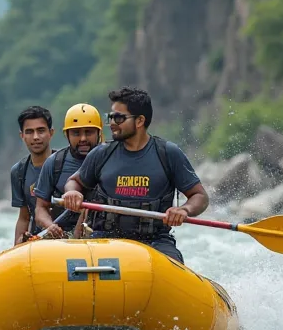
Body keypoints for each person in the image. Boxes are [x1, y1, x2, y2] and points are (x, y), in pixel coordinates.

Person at [60, 87, 209, 263]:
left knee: (174, 264)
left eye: (118, 118)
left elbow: (200, 196)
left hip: (154, 242)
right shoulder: (101, 153)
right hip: (104, 240)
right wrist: (72, 192)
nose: (112, 123)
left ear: (139, 121)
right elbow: (74, 182)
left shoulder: (168, 153)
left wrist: (184, 210)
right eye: (110, 117)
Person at [34, 103, 104, 239]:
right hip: (65, 236)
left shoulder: (111, 159)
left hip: (101, 234)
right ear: (67, 135)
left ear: (99, 133)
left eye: (88, 132)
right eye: (76, 133)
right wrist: (50, 226)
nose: (83, 139)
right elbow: (40, 208)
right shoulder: (54, 163)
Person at [8, 106, 55, 245]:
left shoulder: (65, 163)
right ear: (22, 135)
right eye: (29, 132)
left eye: (41, 131)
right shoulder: (19, 172)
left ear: (51, 133)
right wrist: (16, 248)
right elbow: (24, 217)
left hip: (67, 239)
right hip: (38, 241)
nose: (35, 137)